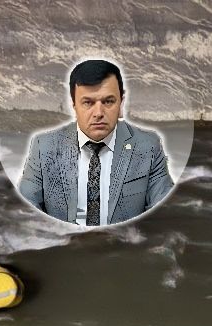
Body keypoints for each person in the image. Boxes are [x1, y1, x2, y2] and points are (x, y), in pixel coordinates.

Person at [18, 59, 173, 226]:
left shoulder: (148, 146)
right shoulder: (44, 147)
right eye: (88, 103)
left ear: (121, 102)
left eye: (108, 101)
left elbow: (164, 215)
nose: (98, 113)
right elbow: (25, 213)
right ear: (74, 105)